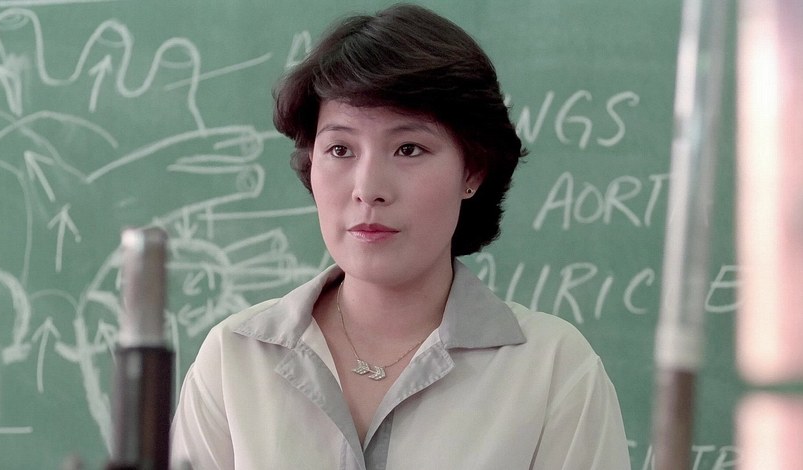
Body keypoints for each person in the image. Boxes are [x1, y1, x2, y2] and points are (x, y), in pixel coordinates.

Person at [170, 3, 631, 469]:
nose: (368, 188)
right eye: (340, 149)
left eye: (408, 148)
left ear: (472, 170)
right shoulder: (235, 359)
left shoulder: (554, 372)